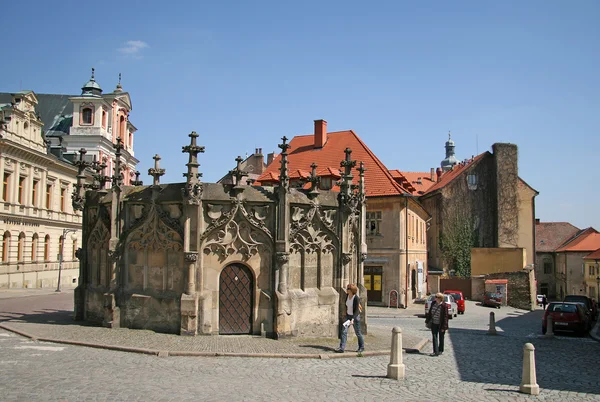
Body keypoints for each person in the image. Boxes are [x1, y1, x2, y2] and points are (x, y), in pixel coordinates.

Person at [335, 283, 365, 353]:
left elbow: (357, 310)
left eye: (348, 289)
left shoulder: (356, 298)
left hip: (355, 317)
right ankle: (342, 348)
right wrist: (345, 313)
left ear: (351, 290)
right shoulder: (347, 296)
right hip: (348, 316)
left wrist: (353, 319)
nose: (346, 290)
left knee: (358, 332)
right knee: (344, 331)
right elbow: (347, 305)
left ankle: (361, 347)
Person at [425, 292, 448, 357]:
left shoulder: (444, 306)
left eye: (436, 297)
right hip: (434, 323)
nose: (435, 298)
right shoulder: (433, 303)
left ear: (440, 298)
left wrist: (444, 327)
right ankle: (435, 351)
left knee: (441, 337)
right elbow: (430, 313)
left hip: (441, 324)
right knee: (434, 336)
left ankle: (441, 350)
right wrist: (427, 321)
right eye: (435, 297)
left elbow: (445, 317)